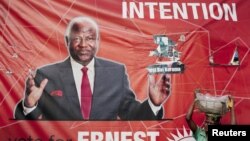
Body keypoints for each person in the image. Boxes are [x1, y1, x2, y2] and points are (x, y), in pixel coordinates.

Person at [14, 16, 171, 120]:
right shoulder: (45, 75)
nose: (83, 45)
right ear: (67, 40)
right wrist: (29, 106)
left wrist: (153, 104)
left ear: (98, 41)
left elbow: (131, 114)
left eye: (89, 38)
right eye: (77, 39)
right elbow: (24, 127)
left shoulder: (116, 73)